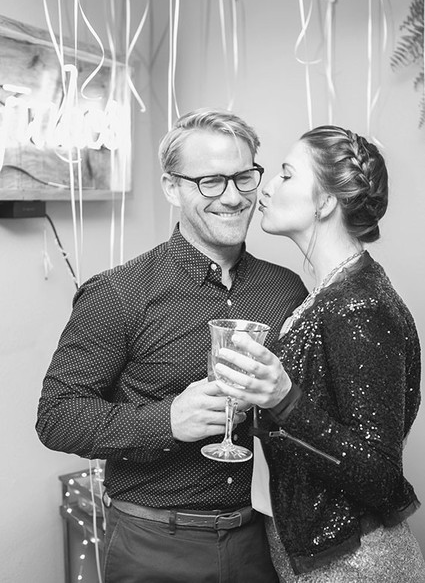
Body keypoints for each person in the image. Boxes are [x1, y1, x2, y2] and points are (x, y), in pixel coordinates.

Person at [36, 108, 307, 583]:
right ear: (171, 187)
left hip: (262, 542)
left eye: (244, 177)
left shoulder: (285, 290)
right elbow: (56, 417)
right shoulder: (119, 293)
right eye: (210, 182)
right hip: (154, 545)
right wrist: (168, 421)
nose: (233, 197)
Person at [214, 126, 425, 582]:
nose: (267, 186)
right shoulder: (330, 292)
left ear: (326, 202)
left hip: (354, 565)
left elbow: (380, 477)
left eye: (287, 175)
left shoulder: (359, 305)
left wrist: (285, 400)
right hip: (314, 557)